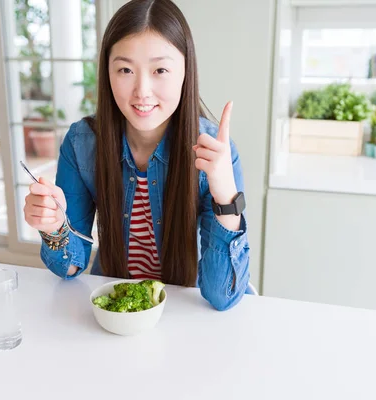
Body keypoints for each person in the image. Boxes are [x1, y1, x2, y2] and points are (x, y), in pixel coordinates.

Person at [24, 0, 250, 311]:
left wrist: (225, 193)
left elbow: (221, 298)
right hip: (117, 311)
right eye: (126, 69)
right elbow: (70, 268)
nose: (142, 91)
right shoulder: (82, 142)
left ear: (186, 71)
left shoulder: (216, 151)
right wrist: (52, 226)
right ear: (107, 72)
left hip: (186, 311)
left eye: (160, 69)